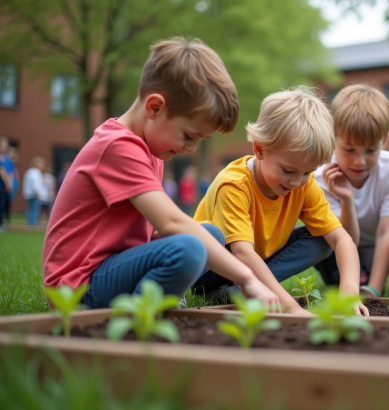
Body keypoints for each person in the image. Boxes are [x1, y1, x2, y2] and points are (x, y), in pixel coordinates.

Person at [43, 37, 279, 310]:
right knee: (189, 248)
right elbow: (171, 223)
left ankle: (157, 302)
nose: (191, 149)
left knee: (209, 235)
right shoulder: (117, 146)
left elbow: (149, 230)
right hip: (77, 288)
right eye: (189, 136)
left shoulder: (151, 149)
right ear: (155, 107)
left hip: (110, 269)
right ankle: (138, 318)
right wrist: (246, 277)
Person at [193, 86, 368, 315]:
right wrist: (292, 308)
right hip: (210, 270)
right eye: (288, 170)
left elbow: (342, 239)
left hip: (256, 267)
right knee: (212, 237)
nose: (297, 182)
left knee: (323, 240)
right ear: (260, 149)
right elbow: (242, 253)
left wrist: (348, 293)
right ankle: (225, 291)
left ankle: (241, 291)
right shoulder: (234, 184)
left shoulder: (304, 185)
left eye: (307, 172)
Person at [313, 84, 389, 297]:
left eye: (371, 150)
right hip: (339, 252)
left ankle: (374, 281)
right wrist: (347, 199)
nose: (359, 161)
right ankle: (345, 283)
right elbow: (343, 239)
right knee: (316, 237)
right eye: (349, 149)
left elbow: (387, 232)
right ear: (333, 138)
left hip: (379, 250)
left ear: (385, 141)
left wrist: (374, 289)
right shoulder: (320, 176)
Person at [23, 156, 46, 226]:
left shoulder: (31, 171)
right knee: (34, 210)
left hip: (31, 194)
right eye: (41, 164)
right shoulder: (34, 172)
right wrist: (37, 193)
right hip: (34, 194)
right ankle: (32, 224)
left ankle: (31, 223)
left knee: (31, 209)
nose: (43, 166)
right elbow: (34, 183)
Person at [0, 136, 14, 231]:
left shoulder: (7, 159)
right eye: (2, 145)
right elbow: (2, 171)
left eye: (5, 145)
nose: (4, 147)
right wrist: (7, 183)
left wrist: (10, 183)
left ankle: (1, 223)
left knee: (3, 206)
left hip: (5, 188)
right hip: (1, 186)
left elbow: (11, 172)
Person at [5, 147, 20, 223]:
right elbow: (8, 174)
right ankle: (5, 219)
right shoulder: (6, 161)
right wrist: (8, 183)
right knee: (4, 203)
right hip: (7, 186)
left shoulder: (14, 166)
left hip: (12, 186)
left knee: (8, 203)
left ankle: (7, 218)